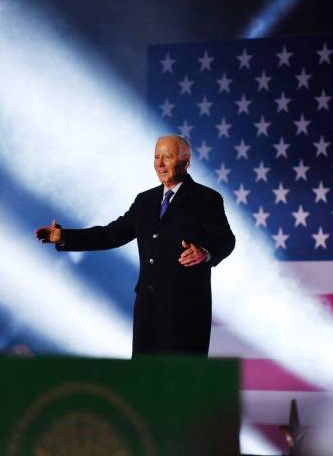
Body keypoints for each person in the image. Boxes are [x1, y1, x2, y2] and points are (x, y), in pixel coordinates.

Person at [35, 135, 235, 357]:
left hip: (185, 311)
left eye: (166, 157)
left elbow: (226, 240)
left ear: (186, 161)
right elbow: (110, 235)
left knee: (181, 384)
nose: (159, 164)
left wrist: (205, 253)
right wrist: (64, 237)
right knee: (144, 381)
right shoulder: (145, 201)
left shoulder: (206, 199)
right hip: (147, 310)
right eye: (156, 157)